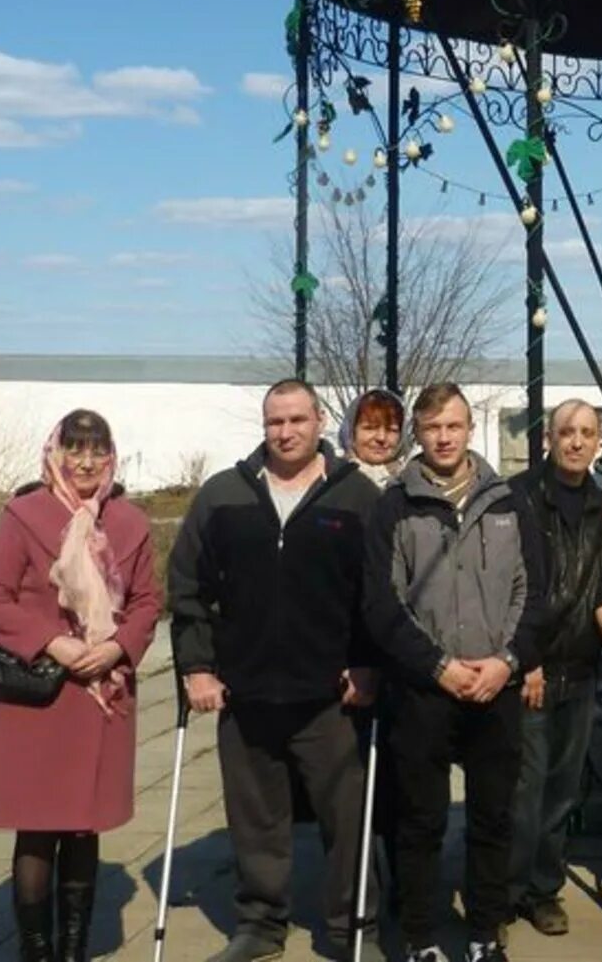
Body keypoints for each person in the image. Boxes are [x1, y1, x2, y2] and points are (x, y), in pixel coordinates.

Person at [168, 380, 382, 962]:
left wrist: (367, 663)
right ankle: (260, 925)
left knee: (348, 819)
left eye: (296, 420)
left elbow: (377, 594)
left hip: (330, 695)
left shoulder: (356, 497)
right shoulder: (222, 496)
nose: (285, 432)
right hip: (246, 690)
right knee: (257, 820)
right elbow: (188, 589)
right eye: (274, 422)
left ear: (318, 421)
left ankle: (350, 924)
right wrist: (197, 668)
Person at [364, 382, 545, 962]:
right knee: (420, 821)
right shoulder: (395, 505)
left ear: (471, 429)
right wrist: (437, 667)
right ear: (418, 433)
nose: (444, 437)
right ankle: (419, 937)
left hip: (497, 685)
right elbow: (381, 605)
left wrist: (507, 662)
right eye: (432, 427)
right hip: (425, 690)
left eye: (454, 426)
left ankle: (486, 931)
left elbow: (533, 592)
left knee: (493, 818)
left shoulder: (510, 503)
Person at [0, 410, 161, 962]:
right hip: (38, 697)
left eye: (96, 450)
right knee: (36, 830)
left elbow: (148, 602)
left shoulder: (131, 521)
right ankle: (35, 950)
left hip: (101, 695)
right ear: (55, 453)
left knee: (84, 828)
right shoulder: (24, 513)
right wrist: (54, 644)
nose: (85, 461)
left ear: (112, 457)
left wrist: (118, 646)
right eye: (74, 449)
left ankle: (75, 950)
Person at [508, 400, 602, 937]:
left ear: (599, 440)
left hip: (580, 668)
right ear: (548, 438)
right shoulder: (517, 499)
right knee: (523, 791)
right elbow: (511, 586)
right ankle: (504, 893)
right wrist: (527, 658)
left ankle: (542, 890)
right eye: (568, 432)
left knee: (562, 791)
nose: (577, 442)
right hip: (531, 669)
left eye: (588, 433)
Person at [341, 387, 408, 485]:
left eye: (391, 430)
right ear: (351, 432)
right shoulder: (332, 482)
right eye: (370, 428)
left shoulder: (413, 484)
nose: (381, 437)